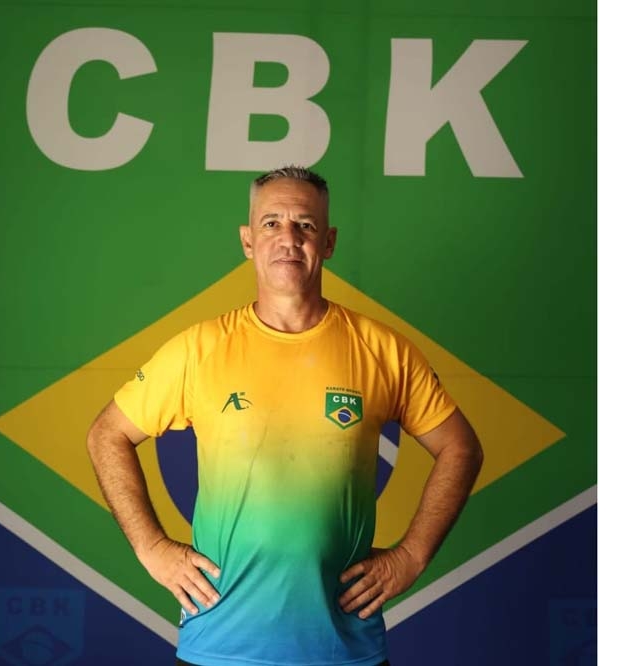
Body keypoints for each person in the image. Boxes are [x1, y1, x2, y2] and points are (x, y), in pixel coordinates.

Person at [86, 166, 483, 666]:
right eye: (271, 223)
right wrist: (151, 547)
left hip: (344, 647)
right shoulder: (198, 350)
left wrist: (412, 555)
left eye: (305, 225)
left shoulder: (384, 350)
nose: (289, 238)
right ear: (248, 240)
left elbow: (460, 448)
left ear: (329, 242)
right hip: (220, 645)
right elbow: (107, 434)